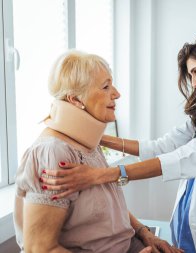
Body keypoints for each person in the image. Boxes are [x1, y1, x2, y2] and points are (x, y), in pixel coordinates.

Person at [42, 34, 196, 253]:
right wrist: (97, 137)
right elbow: (161, 147)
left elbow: (185, 157)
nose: (194, 83)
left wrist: (101, 174)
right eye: (191, 74)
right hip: (186, 222)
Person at [14, 51, 182, 253]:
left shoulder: (88, 145)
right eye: (105, 87)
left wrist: (144, 233)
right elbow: (39, 249)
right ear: (75, 100)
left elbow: (109, 208)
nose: (117, 93)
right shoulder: (53, 154)